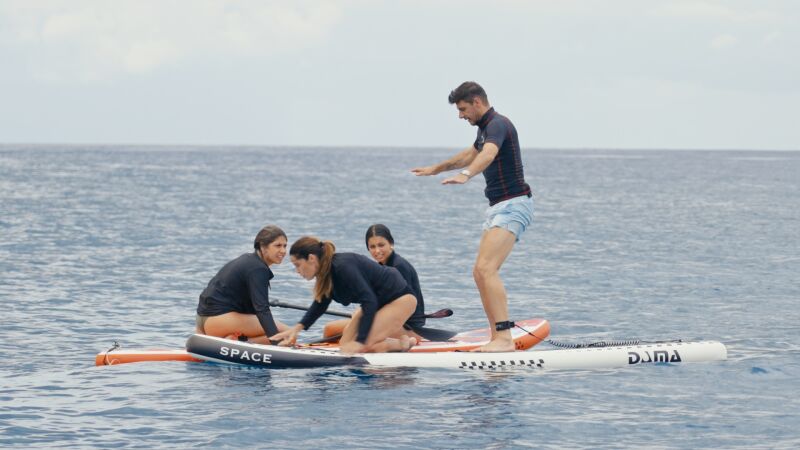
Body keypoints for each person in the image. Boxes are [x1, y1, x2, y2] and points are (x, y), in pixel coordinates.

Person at [411, 81, 533, 352]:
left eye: (463, 109)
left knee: (487, 269)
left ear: (477, 102)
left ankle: (504, 339)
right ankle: (497, 336)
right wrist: (436, 169)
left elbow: (488, 154)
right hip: (498, 207)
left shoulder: (498, 125)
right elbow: (470, 154)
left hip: (513, 205)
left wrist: (466, 175)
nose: (460, 115)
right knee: (479, 272)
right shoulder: (485, 129)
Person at [269, 236, 417, 354]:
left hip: (400, 299)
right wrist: (297, 328)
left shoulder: (342, 267)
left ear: (311, 258)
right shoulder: (326, 273)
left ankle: (402, 344)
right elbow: (320, 304)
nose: (297, 271)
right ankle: (397, 341)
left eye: (297, 265)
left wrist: (360, 341)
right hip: (377, 303)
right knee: (345, 345)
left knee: (363, 347)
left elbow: (369, 300)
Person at [321, 224, 426, 339]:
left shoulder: (399, 266)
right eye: (372, 247)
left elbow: (402, 305)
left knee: (330, 329)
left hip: (407, 327)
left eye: (381, 245)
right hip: (391, 321)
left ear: (391, 243)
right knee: (331, 329)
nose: (377, 251)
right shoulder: (382, 268)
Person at [195, 225, 291, 344]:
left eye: (285, 246)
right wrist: (277, 342)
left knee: (273, 330)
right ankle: (240, 342)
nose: (283, 251)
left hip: (202, 321)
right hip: (218, 321)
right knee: (288, 334)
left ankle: (237, 340)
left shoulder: (248, 260)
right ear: (262, 246)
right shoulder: (258, 269)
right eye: (278, 246)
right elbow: (262, 310)